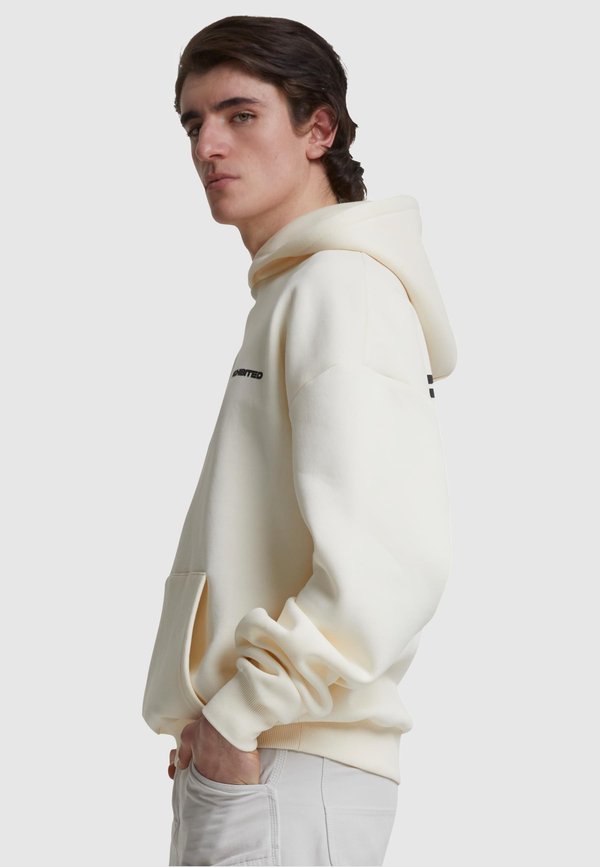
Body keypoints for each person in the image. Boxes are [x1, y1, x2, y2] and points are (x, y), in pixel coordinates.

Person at [141, 14, 458, 867]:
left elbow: (393, 561)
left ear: (319, 129)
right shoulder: (296, 292)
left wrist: (239, 713)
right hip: (264, 758)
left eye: (240, 115)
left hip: (287, 758)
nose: (208, 145)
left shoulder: (341, 287)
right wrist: (212, 715)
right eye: (193, 122)